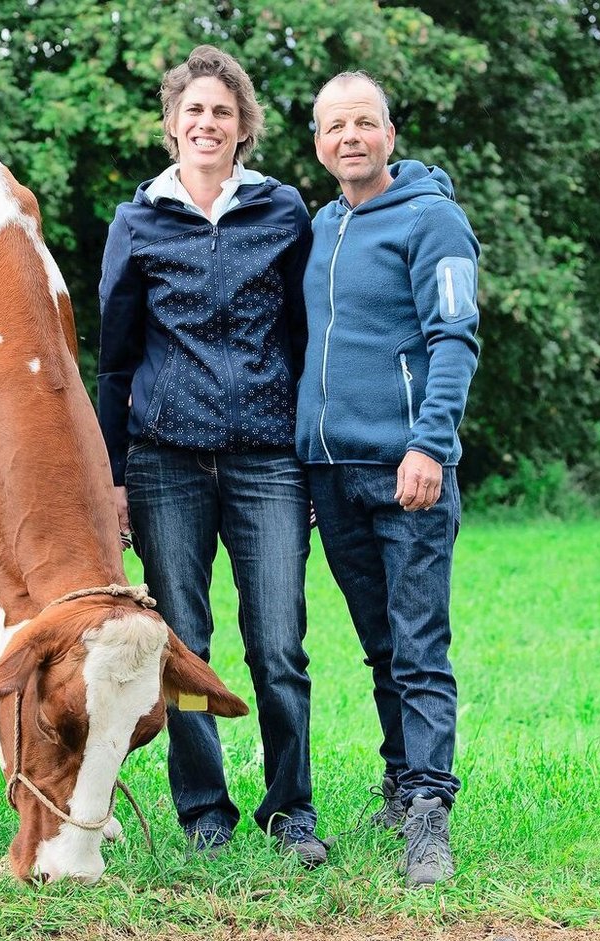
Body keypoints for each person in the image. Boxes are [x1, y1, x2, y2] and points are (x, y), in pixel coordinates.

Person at [96, 45, 324, 867]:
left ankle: (291, 807)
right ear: (172, 125)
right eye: (193, 110)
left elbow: (306, 340)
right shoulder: (139, 221)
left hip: (268, 459)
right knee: (184, 640)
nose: (207, 122)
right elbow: (115, 360)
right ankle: (203, 809)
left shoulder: (283, 212)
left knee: (277, 643)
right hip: (165, 464)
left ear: (242, 129)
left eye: (221, 112)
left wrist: (305, 458)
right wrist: (116, 478)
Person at [296, 72, 480, 887]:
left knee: (418, 645)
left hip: (409, 471)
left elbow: (455, 335)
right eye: (336, 126)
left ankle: (432, 813)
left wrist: (430, 446)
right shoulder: (320, 226)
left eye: (364, 123)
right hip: (332, 474)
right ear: (318, 142)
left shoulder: (433, 219)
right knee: (379, 645)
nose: (350, 138)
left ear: (390, 134)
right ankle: (402, 784)